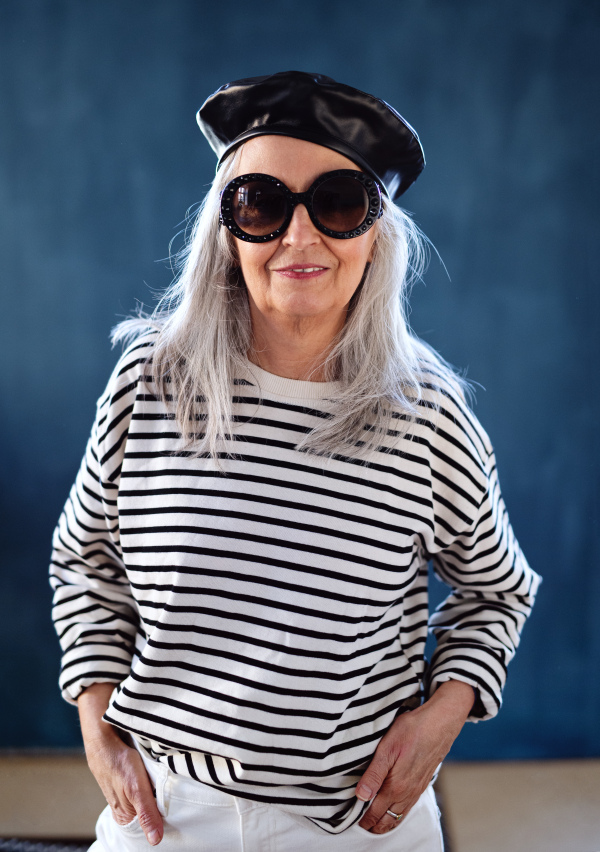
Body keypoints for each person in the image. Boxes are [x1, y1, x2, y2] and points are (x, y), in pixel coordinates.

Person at [50, 71, 540, 851]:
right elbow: (85, 562)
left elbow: (496, 595)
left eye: (339, 202)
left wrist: (441, 718)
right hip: (164, 819)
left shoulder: (430, 415)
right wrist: (96, 722)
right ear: (226, 228)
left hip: (360, 826)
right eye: (262, 204)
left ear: (376, 233)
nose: (299, 238)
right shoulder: (150, 379)